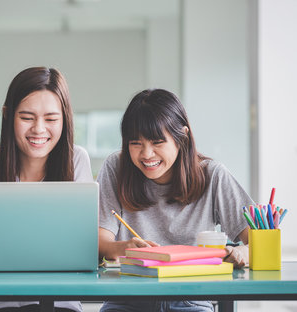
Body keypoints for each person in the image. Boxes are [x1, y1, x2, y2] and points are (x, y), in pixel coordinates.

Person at [98, 89, 253, 312]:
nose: (146, 154)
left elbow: (256, 239)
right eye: (135, 143)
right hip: (126, 298)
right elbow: (101, 242)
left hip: (191, 300)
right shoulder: (116, 167)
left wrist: (241, 252)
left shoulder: (213, 175)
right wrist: (125, 248)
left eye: (157, 142)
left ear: (183, 137)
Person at [0, 67, 92, 312]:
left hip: (61, 305)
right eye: (27, 117)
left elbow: (82, 244)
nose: (39, 129)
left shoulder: (77, 159)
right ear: (7, 115)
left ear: (65, 119)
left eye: (51, 119)